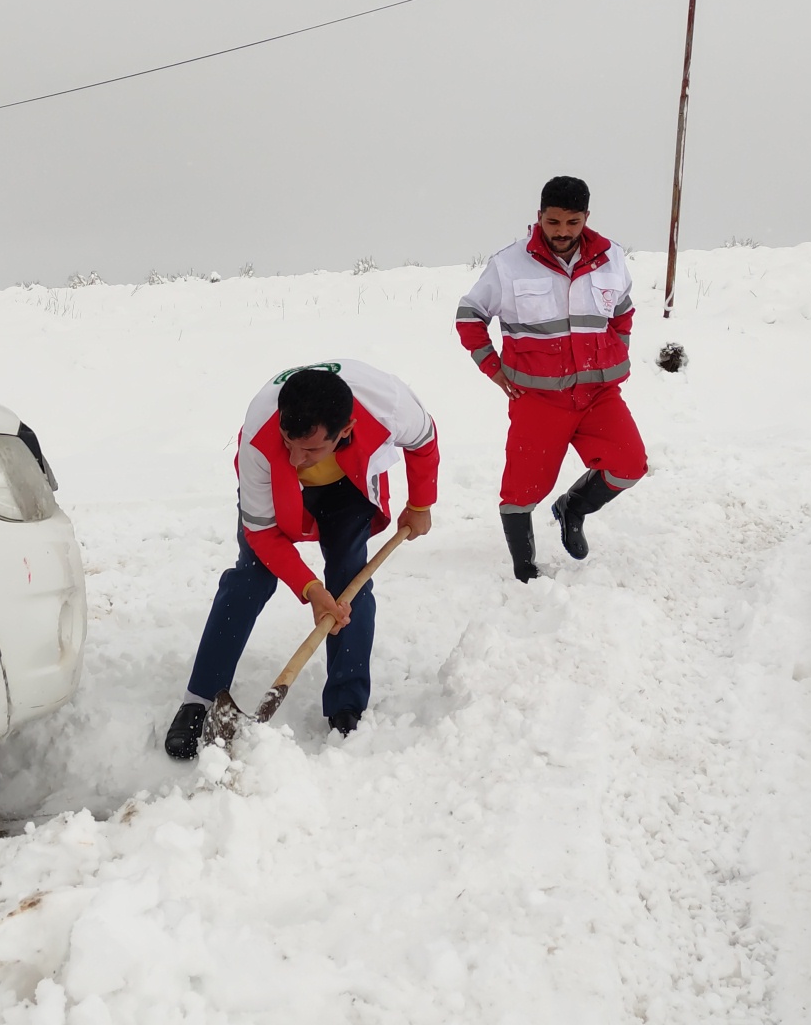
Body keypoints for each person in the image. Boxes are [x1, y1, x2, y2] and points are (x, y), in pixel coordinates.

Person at [164, 361, 438, 759]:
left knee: (349, 581)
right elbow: (263, 535)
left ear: (345, 430)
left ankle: (347, 704)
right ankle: (198, 700)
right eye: (289, 442)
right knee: (251, 577)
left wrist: (420, 503)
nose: (295, 457)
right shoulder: (261, 438)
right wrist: (310, 590)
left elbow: (425, 440)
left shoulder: (389, 405)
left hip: (348, 485)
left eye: (309, 448)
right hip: (277, 489)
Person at [456, 175, 647, 582]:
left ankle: (573, 508)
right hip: (538, 398)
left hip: (599, 393)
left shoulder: (610, 256)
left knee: (630, 465)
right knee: (522, 490)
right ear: (539, 216)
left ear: (586, 218)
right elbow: (470, 316)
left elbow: (623, 310)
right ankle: (524, 566)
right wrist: (493, 368)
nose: (563, 232)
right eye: (554, 222)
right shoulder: (508, 264)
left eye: (573, 223)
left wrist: (619, 348)